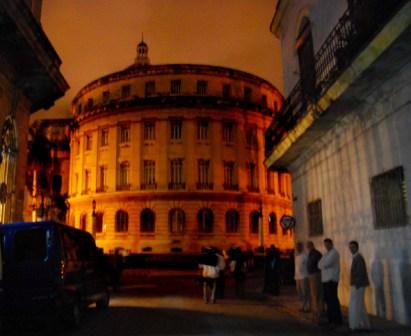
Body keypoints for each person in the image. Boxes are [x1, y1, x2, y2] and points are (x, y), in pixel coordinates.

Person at [318, 238, 342, 327]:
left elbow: (326, 264)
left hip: (331, 279)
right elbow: (319, 264)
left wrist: (323, 265)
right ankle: (331, 319)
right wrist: (322, 265)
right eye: (325, 245)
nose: (326, 246)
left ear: (331, 244)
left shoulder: (334, 253)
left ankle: (336, 320)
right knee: (328, 301)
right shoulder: (326, 254)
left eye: (328, 244)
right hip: (325, 280)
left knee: (333, 300)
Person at [348, 241, 371, 331]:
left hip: (358, 285)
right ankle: (362, 324)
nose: (351, 249)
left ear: (357, 247)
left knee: (355, 305)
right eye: (350, 247)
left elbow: (360, 272)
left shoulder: (358, 258)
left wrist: (356, 285)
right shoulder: (356, 257)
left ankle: (356, 325)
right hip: (357, 285)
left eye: (353, 247)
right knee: (359, 305)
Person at [306, 241, 323, 324]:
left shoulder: (316, 254)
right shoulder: (311, 253)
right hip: (312, 275)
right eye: (307, 246)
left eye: (309, 246)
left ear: (312, 245)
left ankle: (317, 315)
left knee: (315, 295)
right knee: (314, 295)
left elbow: (313, 264)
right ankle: (315, 314)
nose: (308, 247)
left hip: (315, 275)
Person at [294, 242, 310, 312]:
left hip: (304, 276)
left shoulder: (305, 256)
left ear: (301, 247)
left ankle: (307, 306)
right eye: (297, 247)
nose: (297, 248)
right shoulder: (297, 256)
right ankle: (302, 306)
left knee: (305, 292)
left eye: (299, 247)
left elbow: (308, 266)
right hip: (297, 277)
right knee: (299, 292)